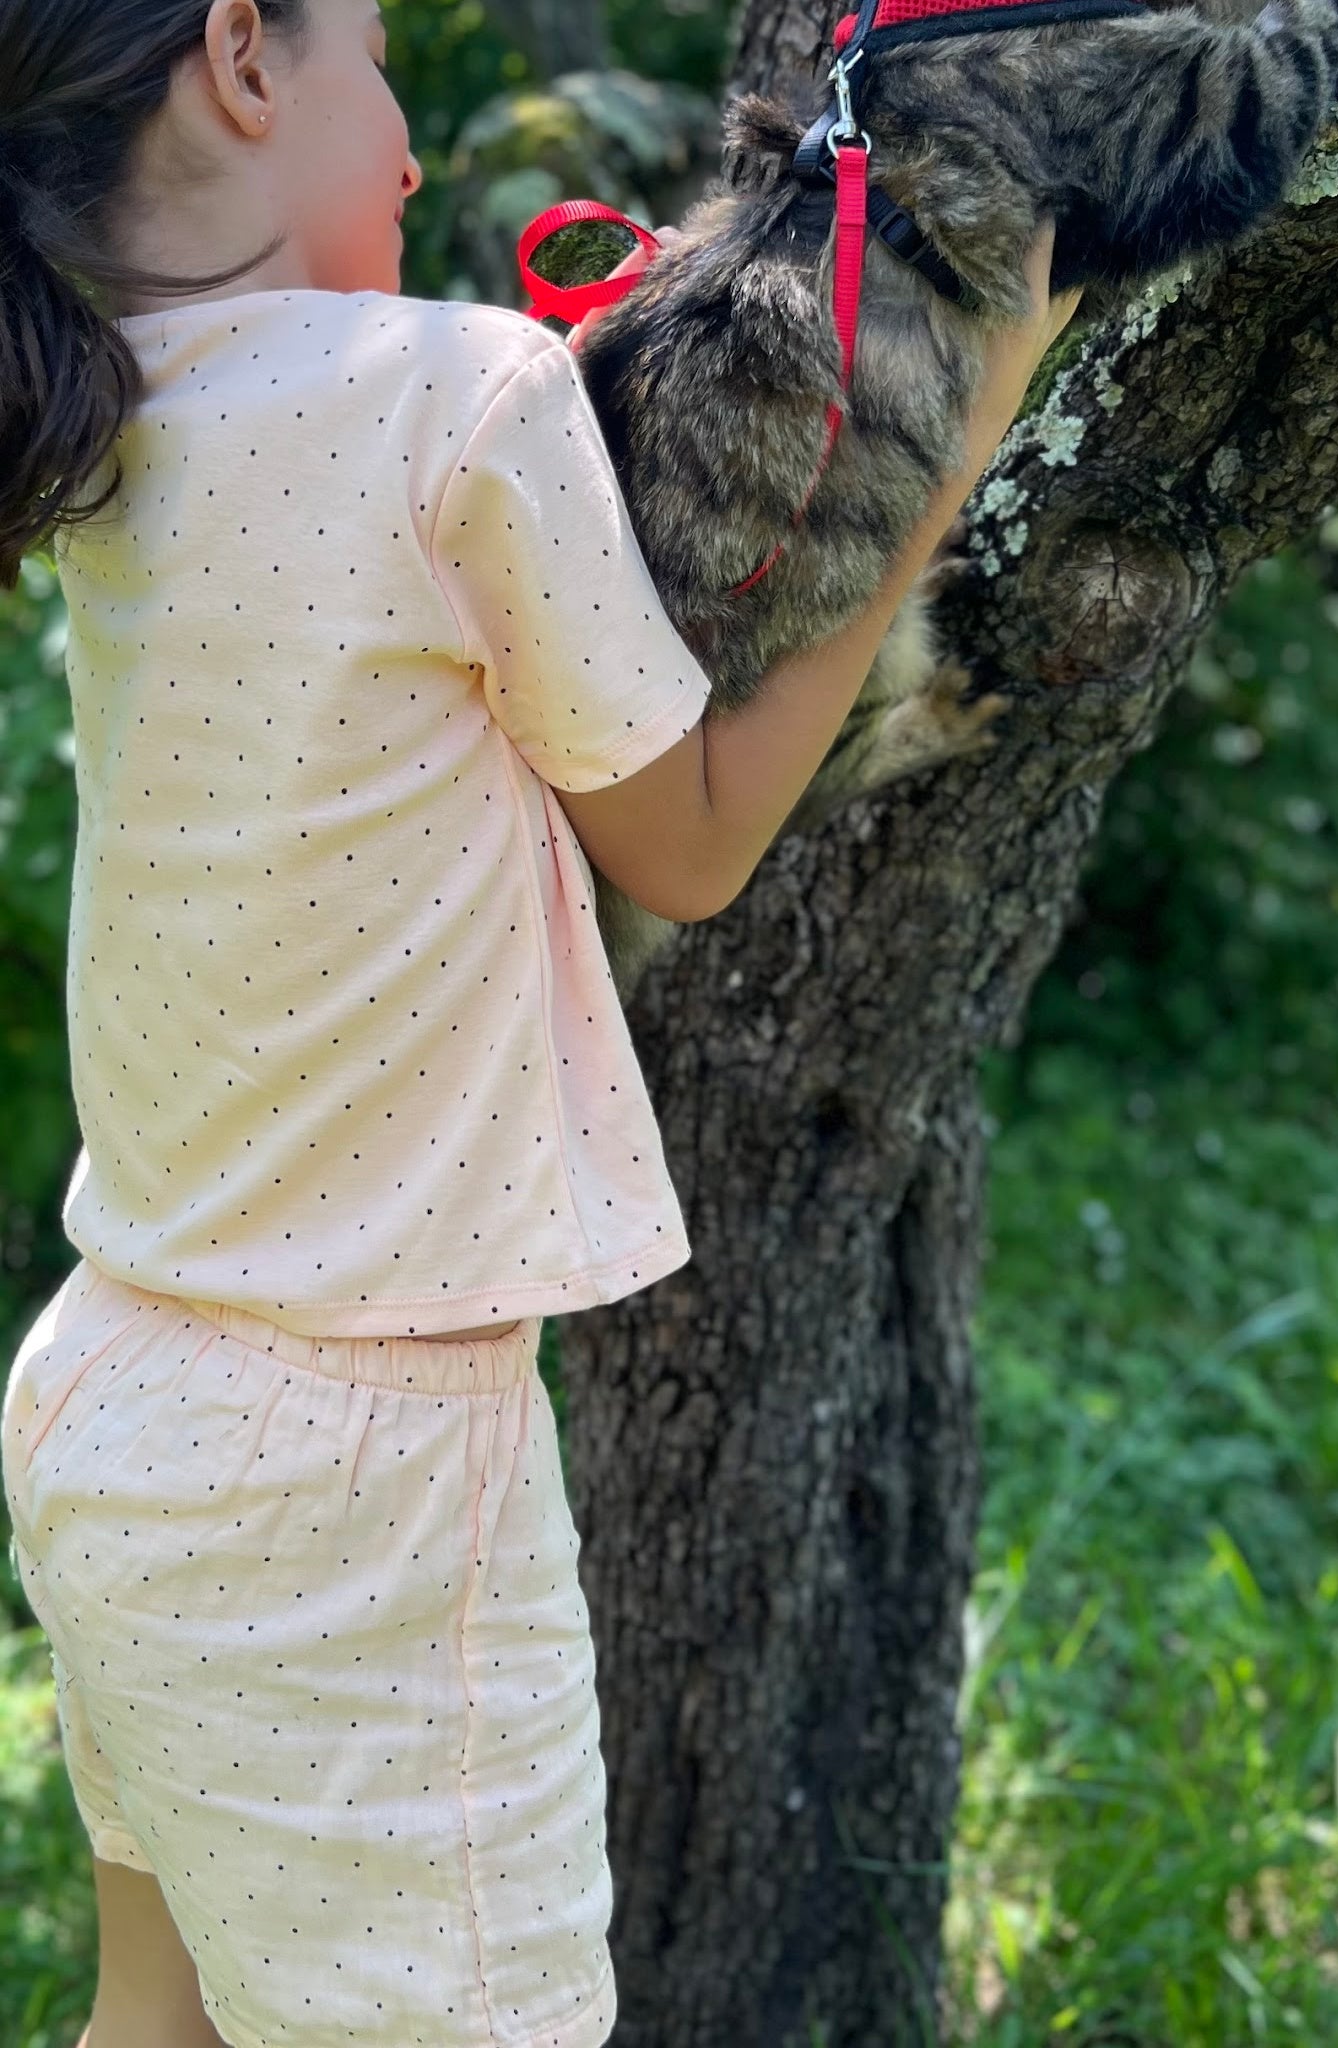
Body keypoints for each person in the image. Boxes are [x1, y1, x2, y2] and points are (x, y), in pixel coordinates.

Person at [0, 2, 1082, 2043]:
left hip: (112, 1400)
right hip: (355, 1485)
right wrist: (958, 419)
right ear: (245, 54)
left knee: (158, 2021)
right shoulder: (451, 401)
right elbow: (684, 839)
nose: (410, 152)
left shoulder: (104, 421)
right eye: (379, 69)